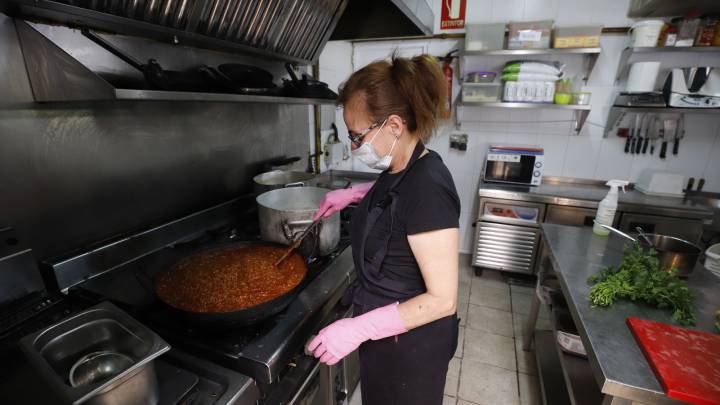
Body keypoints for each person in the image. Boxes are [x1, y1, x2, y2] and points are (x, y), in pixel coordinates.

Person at [306, 54, 461, 405]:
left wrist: (358, 328)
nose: (353, 147)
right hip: (387, 332)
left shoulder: (429, 188)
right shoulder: (404, 163)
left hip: (411, 347)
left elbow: (443, 300)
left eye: (357, 136)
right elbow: (399, 201)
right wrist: (355, 194)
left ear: (393, 125)